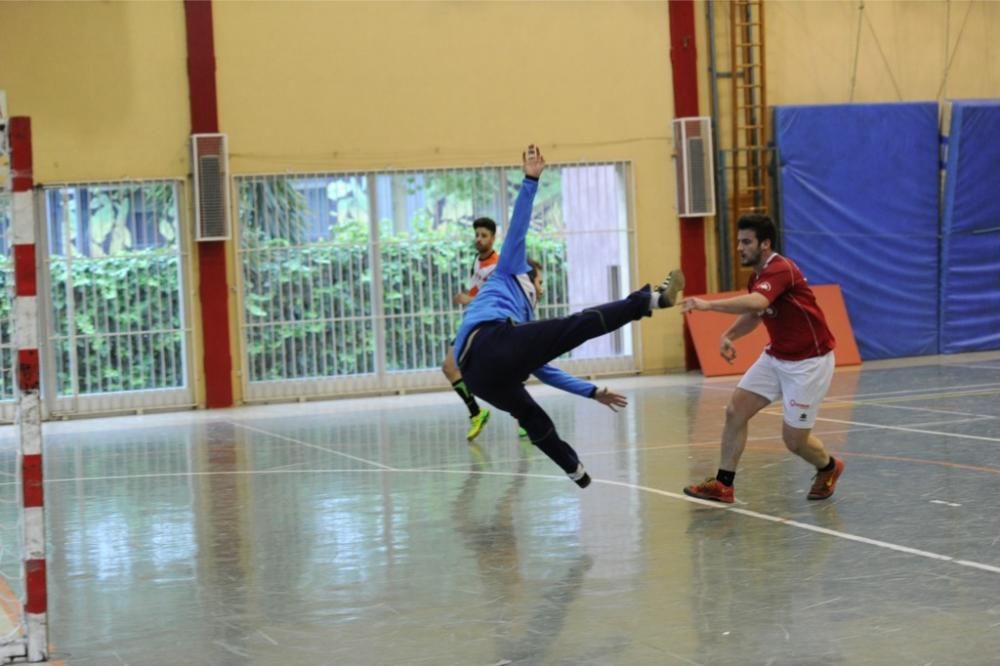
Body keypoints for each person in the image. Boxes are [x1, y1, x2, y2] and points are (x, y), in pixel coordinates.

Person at [454, 144, 684, 487]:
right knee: (576, 326)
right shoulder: (508, 271)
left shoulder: (522, 321)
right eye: (542, 281)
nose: (543, 289)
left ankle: (573, 468)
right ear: (528, 275)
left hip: (480, 377)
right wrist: (531, 180)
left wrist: (592, 392)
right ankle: (650, 300)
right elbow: (518, 228)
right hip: (486, 341)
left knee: (529, 414)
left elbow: (546, 373)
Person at [680, 213, 844, 503]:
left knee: (794, 441)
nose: (740, 248)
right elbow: (757, 314)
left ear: (765, 244)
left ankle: (829, 467)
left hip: (809, 364)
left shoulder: (781, 269)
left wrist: (707, 305)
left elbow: (759, 302)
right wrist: (729, 335)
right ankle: (723, 484)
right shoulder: (758, 276)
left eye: (746, 242)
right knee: (735, 411)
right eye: (739, 242)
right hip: (776, 356)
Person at [442, 217, 499, 441]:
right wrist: (468, 297)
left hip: (486, 324)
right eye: (477, 235)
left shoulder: (497, 266)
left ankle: (523, 418)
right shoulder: (477, 261)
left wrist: (468, 299)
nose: (479, 239)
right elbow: (476, 291)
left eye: (484, 236)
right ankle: (477, 412)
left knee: (501, 373)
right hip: (473, 321)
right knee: (449, 367)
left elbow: (492, 298)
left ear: (493, 238)